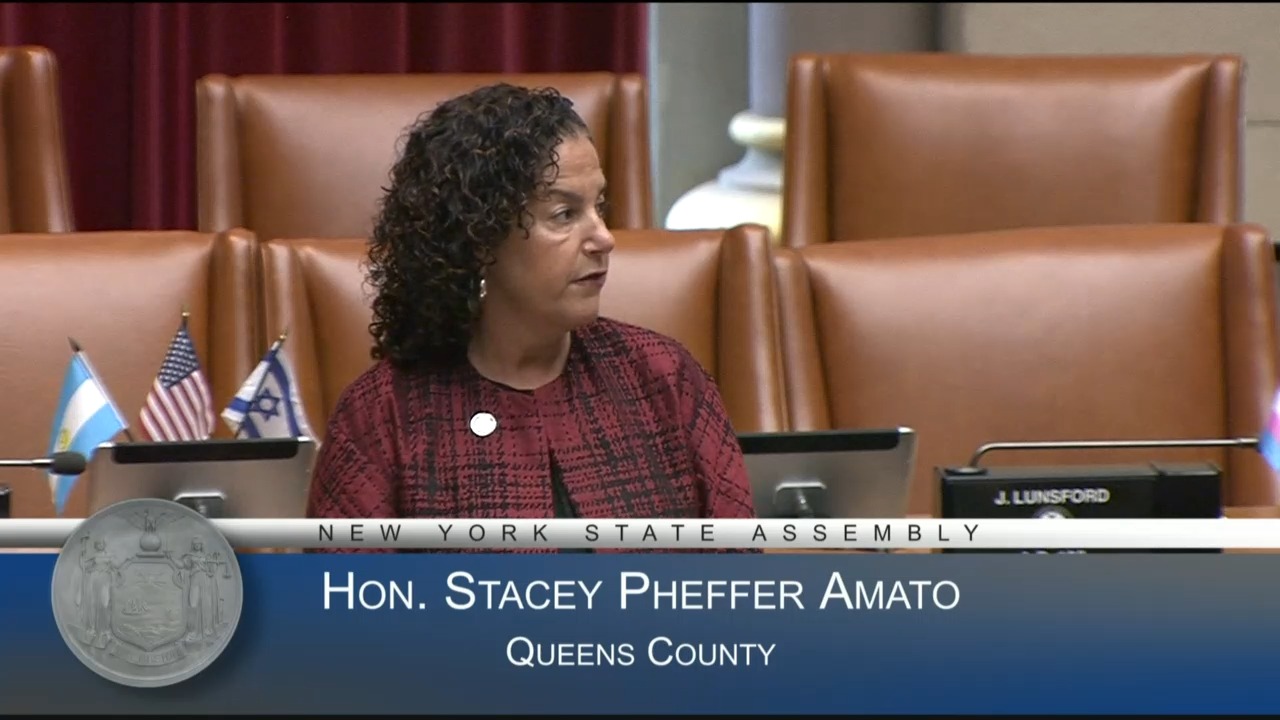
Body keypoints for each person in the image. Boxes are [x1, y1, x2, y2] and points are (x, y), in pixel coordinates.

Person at [305, 83, 758, 552]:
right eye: (564, 214)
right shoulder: (384, 417)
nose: (604, 238)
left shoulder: (662, 378)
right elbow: (341, 594)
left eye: (599, 207)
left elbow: (739, 577)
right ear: (480, 238)